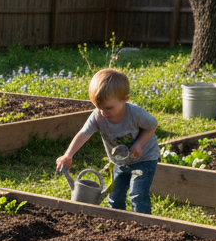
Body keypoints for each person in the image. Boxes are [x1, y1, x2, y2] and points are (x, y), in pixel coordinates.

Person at [56, 68, 159, 214]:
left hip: (145, 158)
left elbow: (152, 125)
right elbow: (84, 133)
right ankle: (116, 222)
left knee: (137, 194)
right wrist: (68, 155)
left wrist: (138, 144)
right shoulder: (98, 116)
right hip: (121, 162)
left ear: (125, 99)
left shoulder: (135, 114)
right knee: (115, 196)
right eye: (99, 107)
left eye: (109, 108)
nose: (104, 113)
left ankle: (144, 225)